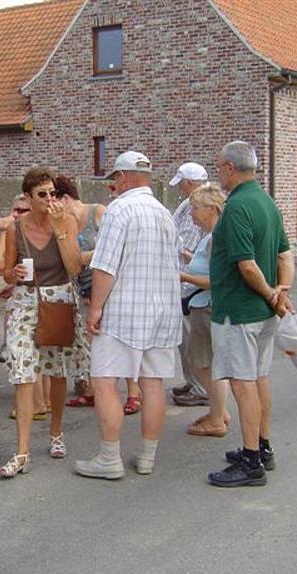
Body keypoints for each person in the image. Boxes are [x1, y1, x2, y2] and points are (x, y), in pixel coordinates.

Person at [74, 151, 182, 479]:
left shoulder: (120, 210)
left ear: (122, 177)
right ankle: (147, 457)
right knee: (153, 384)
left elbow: (105, 266)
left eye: (114, 180)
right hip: (163, 311)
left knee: (105, 381)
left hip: (123, 311)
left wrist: (95, 308)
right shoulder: (165, 214)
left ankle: (110, 458)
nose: (114, 187)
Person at [207, 141, 294, 487]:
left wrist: (273, 293)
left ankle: (251, 460)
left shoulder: (237, 207)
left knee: (243, 384)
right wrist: (281, 293)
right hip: (263, 313)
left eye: (219, 167)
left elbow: (246, 265)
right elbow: (285, 255)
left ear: (230, 167)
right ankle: (263, 445)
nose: (218, 173)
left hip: (239, 312)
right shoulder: (268, 203)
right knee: (259, 378)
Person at [0, 167, 90, 478]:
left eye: (52, 193)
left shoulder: (66, 220)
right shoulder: (16, 229)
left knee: (57, 371)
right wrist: (13, 275)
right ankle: (21, 452)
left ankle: (56, 432)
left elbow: (74, 267)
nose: (49, 199)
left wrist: (60, 226)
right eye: (42, 195)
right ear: (28, 197)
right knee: (23, 373)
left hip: (58, 300)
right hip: (25, 301)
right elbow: (6, 271)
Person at [55, 176, 144, 416]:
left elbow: (117, 247)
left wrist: (83, 258)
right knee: (92, 342)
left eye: (56, 200)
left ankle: (134, 394)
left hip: (109, 287)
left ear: (65, 198)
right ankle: (92, 391)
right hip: (85, 289)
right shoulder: (63, 222)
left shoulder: (98, 212)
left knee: (122, 339)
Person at [178, 183, 231, 436]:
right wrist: (191, 260)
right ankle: (218, 410)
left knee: (204, 364)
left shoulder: (216, 238)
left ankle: (218, 418)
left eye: (196, 208)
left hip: (207, 306)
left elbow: (218, 280)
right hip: (203, 305)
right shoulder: (211, 236)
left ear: (212, 209)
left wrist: (183, 277)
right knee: (204, 362)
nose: (192, 214)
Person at [168, 162, 210, 407]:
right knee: (186, 341)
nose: (180, 188)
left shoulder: (198, 206)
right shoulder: (188, 204)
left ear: (190, 183)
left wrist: (183, 273)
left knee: (194, 341)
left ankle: (201, 387)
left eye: (182, 183)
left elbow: (188, 244)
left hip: (191, 284)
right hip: (185, 282)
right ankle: (193, 381)